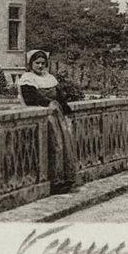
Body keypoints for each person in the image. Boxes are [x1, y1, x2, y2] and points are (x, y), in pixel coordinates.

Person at [18, 49, 78, 192]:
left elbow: (60, 97)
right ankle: (56, 182)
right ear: (30, 63)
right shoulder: (27, 78)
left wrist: (67, 110)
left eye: (43, 63)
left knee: (65, 143)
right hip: (43, 118)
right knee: (55, 145)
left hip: (57, 117)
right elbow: (31, 99)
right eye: (37, 63)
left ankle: (66, 179)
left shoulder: (49, 77)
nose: (40, 66)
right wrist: (49, 103)